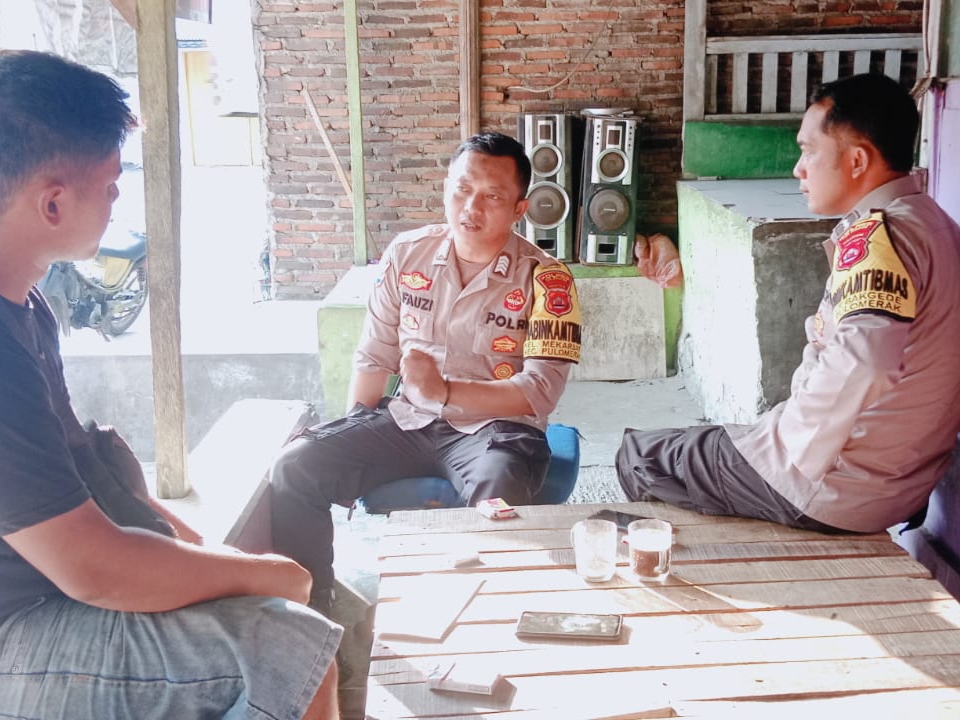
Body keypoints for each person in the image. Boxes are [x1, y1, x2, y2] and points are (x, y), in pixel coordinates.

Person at [0, 50, 341, 718]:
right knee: (288, 648)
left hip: (50, 591)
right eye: (110, 183)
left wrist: (214, 555)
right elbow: (93, 568)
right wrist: (263, 573)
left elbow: (90, 482)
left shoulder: (29, 308)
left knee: (285, 615)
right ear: (52, 202)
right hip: (22, 623)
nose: (116, 198)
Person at [617, 73, 960, 535]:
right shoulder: (935, 223)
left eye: (809, 151)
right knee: (711, 443)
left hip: (834, 488)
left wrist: (791, 452)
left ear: (857, 160)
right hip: (898, 481)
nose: (799, 169)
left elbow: (865, 362)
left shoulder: (879, 238)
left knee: (639, 456)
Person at [270, 132, 582, 609]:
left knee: (498, 497)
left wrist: (445, 390)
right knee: (295, 467)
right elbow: (375, 356)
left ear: (519, 209)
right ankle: (312, 610)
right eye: (462, 189)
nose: (471, 207)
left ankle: (488, 617)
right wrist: (354, 432)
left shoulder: (548, 278)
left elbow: (539, 391)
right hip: (406, 421)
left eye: (492, 196)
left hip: (496, 431)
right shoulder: (406, 254)